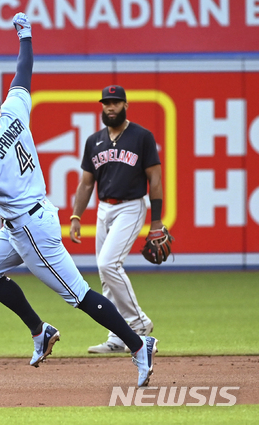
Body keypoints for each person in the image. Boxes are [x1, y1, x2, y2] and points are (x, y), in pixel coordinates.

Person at [0, 13, 157, 387]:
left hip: (32, 229)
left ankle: (138, 345)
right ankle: (41, 331)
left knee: (81, 296)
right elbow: (24, 71)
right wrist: (26, 36)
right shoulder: (13, 112)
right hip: (25, 220)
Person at [69, 85, 163, 354]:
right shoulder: (94, 140)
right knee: (104, 272)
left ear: (126, 105)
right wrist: (76, 215)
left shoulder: (141, 136)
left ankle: (138, 323)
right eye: (106, 103)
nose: (110, 107)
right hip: (103, 209)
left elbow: (155, 179)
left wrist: (156, 222)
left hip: (131, 207)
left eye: (116, 103)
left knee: (108, 263)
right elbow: (86, 183)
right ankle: (117, 335)